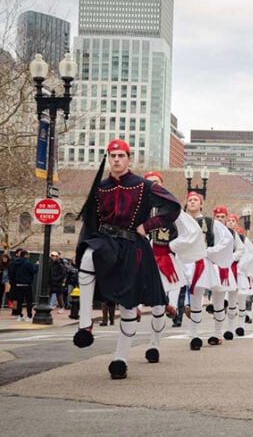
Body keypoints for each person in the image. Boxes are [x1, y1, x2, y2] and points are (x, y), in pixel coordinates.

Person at [73, 139, 181, 379]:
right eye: (113, 156)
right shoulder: (100, 187)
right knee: (88, 256)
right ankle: (84, 324)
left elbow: (173, 206)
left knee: (128, 304)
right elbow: (91, 221)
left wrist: (148, 225)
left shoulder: (144, 186)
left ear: (128, 158)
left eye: (121, 156)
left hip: (133, 246)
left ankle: (120, 358)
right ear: (108, 158)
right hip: (106, 241)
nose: (117, 160)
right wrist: (80, 248)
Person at [143, 170, 204, 362]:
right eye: (148, 182)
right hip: (141, 257)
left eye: (155, 182)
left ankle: (154, 344)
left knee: (158, 305)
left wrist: (172, 246)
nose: (152, 185)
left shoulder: (171, 207)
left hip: (164, 258)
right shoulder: (137, 206)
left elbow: (192, 232)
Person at [183, 193, 234, 350]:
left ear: (201, 204)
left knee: (218, 301)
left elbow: (227, 240)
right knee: (195, 299)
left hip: (208, 263)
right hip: (190, 263)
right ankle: (194, 335)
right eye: (190, 200)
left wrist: (211, 251)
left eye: (195, 200)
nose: (192, 202)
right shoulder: (181, 221)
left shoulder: (210, 222)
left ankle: (218, 334)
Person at [13, 250, 37, 322]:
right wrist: (36, 265)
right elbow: (34, 270)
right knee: (29, 301)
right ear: (25, 255)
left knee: (19, 301)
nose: (29, 256)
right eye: (28, 255)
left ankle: (19, 315)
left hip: (18, 284)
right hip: (26, 284)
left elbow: (12, 272)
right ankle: (29, 316)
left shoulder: (15, 263)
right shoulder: (28, 263)